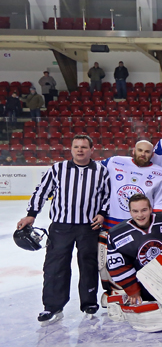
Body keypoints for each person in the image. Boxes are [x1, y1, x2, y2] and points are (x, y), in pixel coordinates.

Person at [17, 134, 110, 324]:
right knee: (55, 265)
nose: (80, 150)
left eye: (84, 147)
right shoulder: (58, 169)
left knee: (89, 265)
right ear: (71, 149)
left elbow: (108, 196)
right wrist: (31, 214)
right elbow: (42, 191)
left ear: (92, 150)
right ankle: (52, 306)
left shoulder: (101, 171)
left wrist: (102, 213)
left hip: (89, 227)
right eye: (76, 146)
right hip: (61, 226)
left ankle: (89, 302)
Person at [106, 194, 162, 304]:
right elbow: (118, 266)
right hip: (143, 281)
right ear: (130, 212)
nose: (140, 215)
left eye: (144, 210)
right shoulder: (116, 235)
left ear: (150, 209)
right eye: (135, 211)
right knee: (145, 300)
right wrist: (133, 290)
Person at [102, 140, 162, 229]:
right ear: (133, 151)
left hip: (140, 225)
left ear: (152, 155)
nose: (143, 154)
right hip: (111, 223)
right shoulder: (114, 162)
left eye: (147, 152)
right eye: (140, 150)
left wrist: (156, 227)